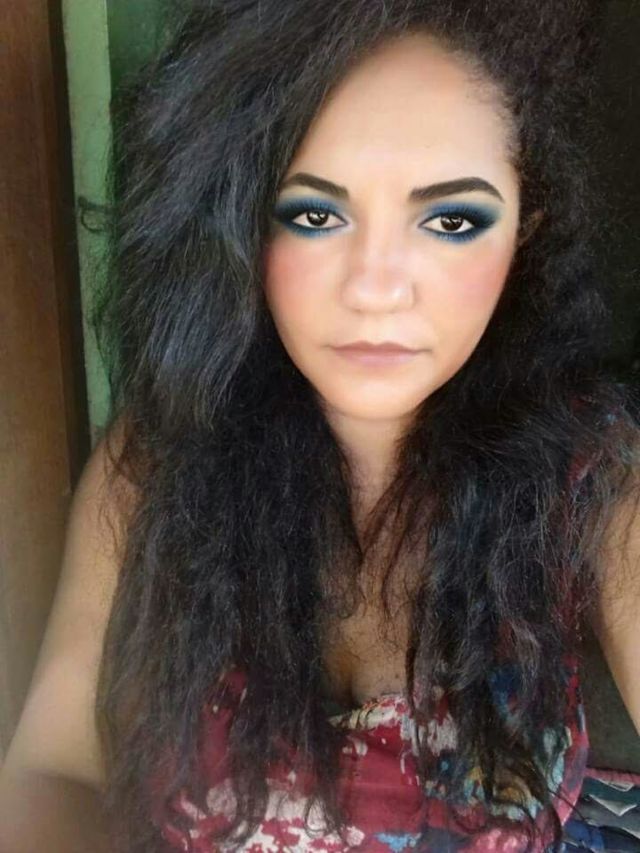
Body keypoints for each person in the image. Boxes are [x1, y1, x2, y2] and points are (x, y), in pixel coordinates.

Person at [1, 1, 639, 851]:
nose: (375, 286)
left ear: (527, 229)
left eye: (451, 221)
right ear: (240, 218)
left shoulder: (590, 467)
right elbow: (54, 767)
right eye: (314, 214)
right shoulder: (161, 455)